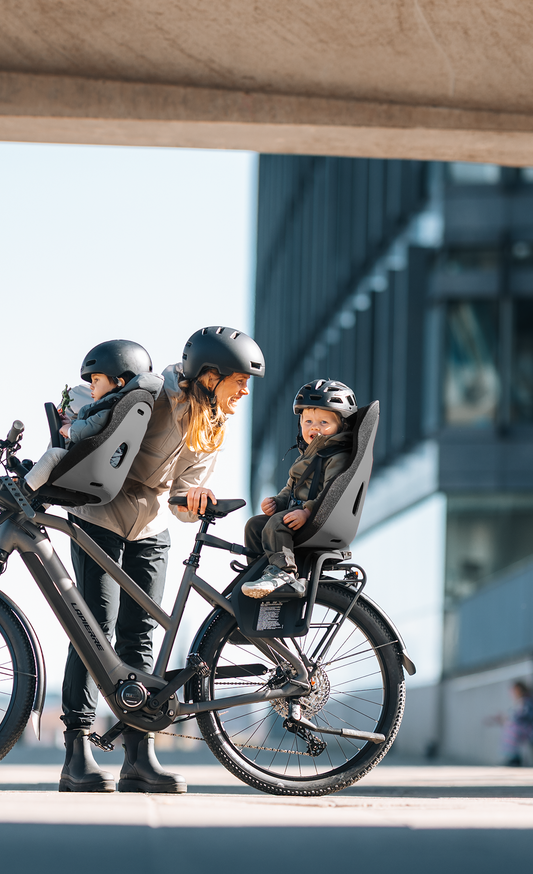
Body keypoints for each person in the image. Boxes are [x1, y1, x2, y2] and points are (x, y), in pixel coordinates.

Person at [60, 327, 265, 794]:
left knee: (142, 633)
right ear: (210, 376)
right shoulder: (151, 393)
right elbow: (90, 408)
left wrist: (191, 498)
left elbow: (178, 496)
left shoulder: (213, 424)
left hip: (152, 527)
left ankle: (138, 756)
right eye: (239, 381)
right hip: (100, 516)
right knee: (93, 630)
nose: (245, 392)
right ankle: (76, 754)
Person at [241, 379, 357, 599]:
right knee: (255, 525)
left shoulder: (336, 457)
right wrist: (277, 502)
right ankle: (260, 573)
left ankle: (283, 573)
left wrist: (308, 512)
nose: (314, 427)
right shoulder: (308, 457)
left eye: (324, 422)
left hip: (319, 520)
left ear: (341, 426)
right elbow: (291, 490)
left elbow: (332, 493)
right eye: (308, 421)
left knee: (278, 524)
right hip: (300, 515)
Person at [24, 340, 163, 491]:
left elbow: (91, 427)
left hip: (92, 464)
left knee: (53, 456)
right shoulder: (120, 406)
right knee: (55, 468)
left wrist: (70, 430)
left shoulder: (112, 409)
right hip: (97, 463)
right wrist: (68, 422)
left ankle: (23, 490)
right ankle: (39, 501)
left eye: (96, 380)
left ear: (119, 382)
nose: (91, 385)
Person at [503, 680, 533, 766]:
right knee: (510, 728)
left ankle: (515, 758)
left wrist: (509, 720)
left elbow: (524, 716)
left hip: (530, 730)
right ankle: (513, 756)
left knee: (512, 729)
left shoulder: (527, 701)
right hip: (525, 728)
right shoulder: (524, 700)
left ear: (518, 689)